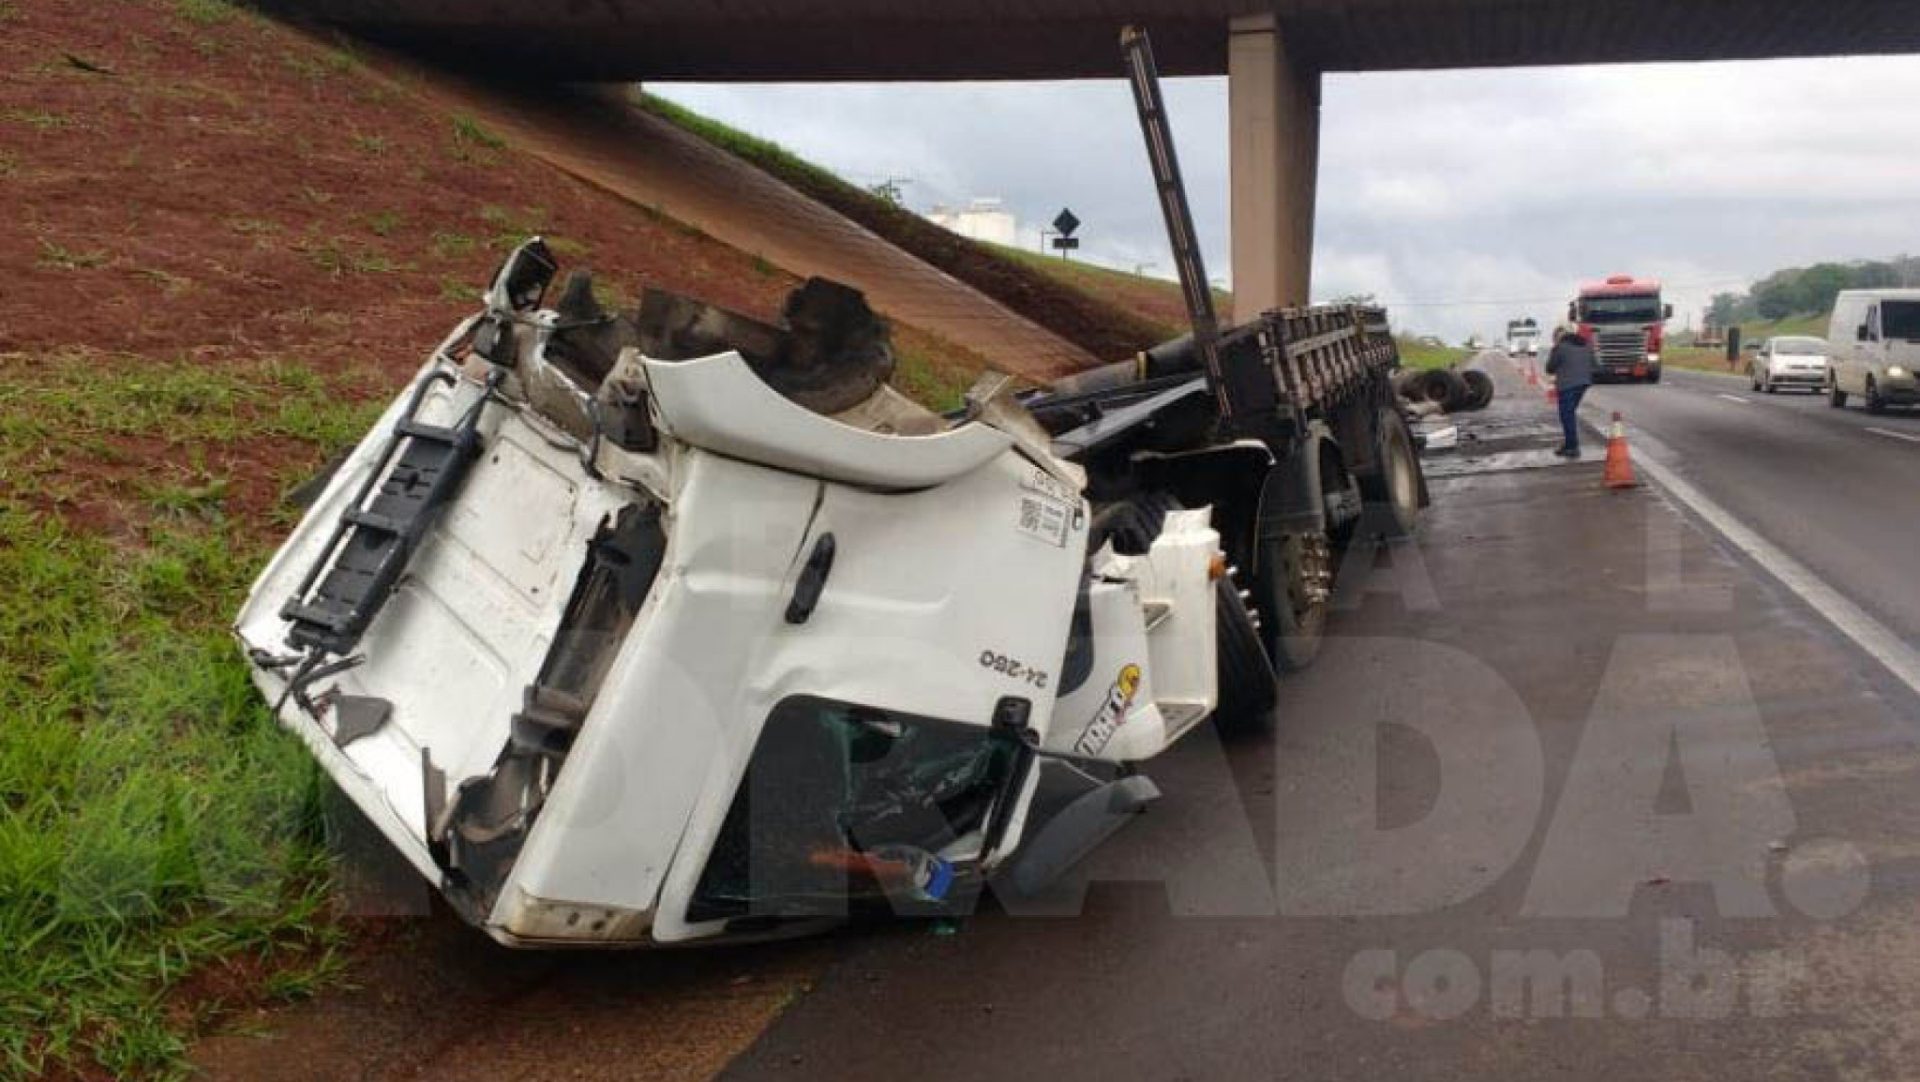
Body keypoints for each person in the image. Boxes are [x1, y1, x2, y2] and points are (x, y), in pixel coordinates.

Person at [1545, 325, 1596, 458]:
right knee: (1570, 414)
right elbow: (1594, 363)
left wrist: (1555, 350)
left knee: (1566, 416)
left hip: (1567, 385)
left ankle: (1572, 447)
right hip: (1584, 383)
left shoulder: (1560, 347)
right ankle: (1568, 444)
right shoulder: (1585, 344)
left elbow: (1550, 368)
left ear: (1557, 338)